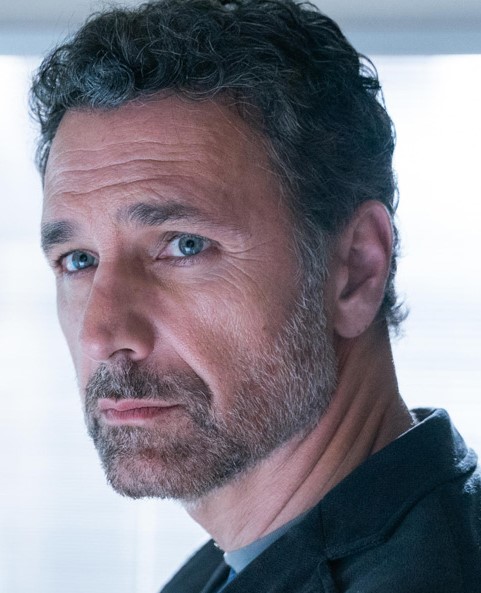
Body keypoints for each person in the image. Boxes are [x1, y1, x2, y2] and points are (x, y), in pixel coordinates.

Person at [31, 0, 481, 591]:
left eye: (184, 245)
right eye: (79, 260)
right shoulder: (234, 566)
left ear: (355, 270)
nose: (101, 333)